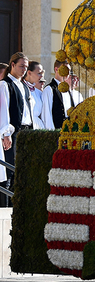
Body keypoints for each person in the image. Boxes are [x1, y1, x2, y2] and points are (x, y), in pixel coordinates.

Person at [0, 52, 34, 207]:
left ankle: (17, 210)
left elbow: (28, 112)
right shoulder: (5, 84)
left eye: (26, 67)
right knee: (8, 171)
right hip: (12, 133)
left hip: (26, 133)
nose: (24, 70)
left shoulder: (25, 87)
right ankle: (5, 209)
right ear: (12, 65)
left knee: (22, 171)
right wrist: (6, 134)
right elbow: (3, 111)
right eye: (21, 66)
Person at [43, 60, 79, 130]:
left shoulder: (68, 90)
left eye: (69, 70)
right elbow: (47, 115)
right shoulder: (49, 89)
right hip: (56, 132)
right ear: (56, 69)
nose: (67, 73)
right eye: (65, 69)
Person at [23, 61, 45, 129]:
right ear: (29, 72)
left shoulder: (39, 92)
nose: (41, 76)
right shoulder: (21, 89)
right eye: (39, 73)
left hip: (39, 127)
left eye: (42, 74)